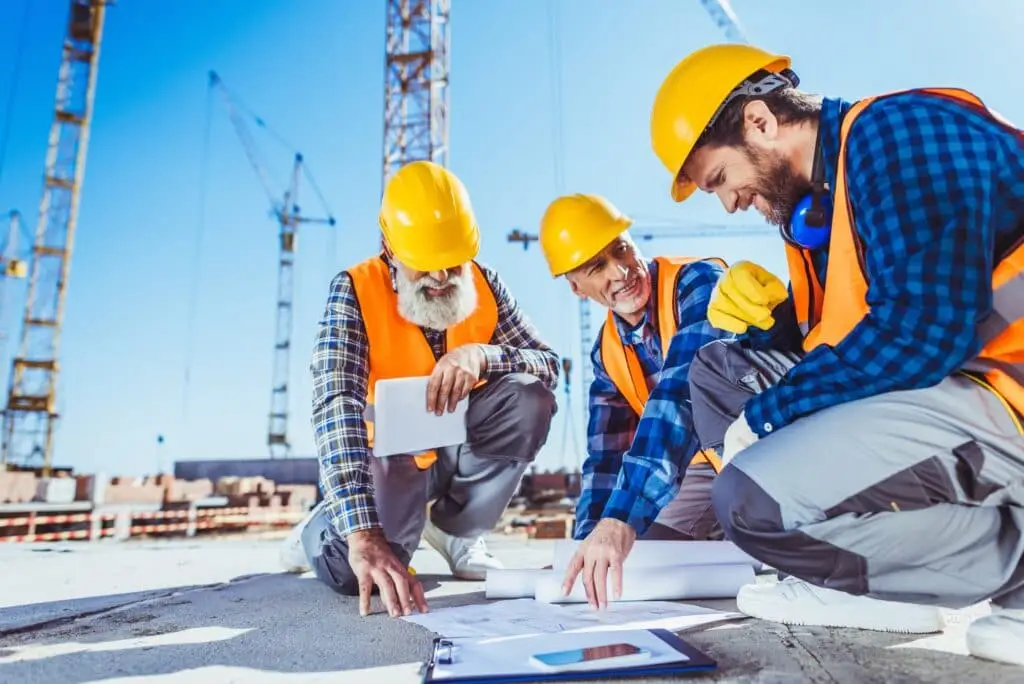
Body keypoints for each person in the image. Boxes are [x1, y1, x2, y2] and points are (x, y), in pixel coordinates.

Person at [645, 43, 1024, 666]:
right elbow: (849, 339)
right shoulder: (822, 206)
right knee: (721, 373)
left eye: (720, 179)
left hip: (1003, 390)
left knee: (751, 502)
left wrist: (770, 417)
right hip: (953, 384)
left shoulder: (895, 133)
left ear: (760, 122)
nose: (729, 201)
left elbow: (921, 328)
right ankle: (884, 591)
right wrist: (772, 332)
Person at [280, 160, 559, 618]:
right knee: (359, 575)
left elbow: (547, 365)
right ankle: (324, 526)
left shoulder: (486, 284)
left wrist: (482, 356)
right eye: (424, 266)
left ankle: (459, 531)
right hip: (389, 461)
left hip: (455, 449)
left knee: (529, 397)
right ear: (390, 247)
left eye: (451, 263)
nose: (440, 278)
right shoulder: (354, 291)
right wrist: (362, 533)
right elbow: (336, 406)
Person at [538, 193, 734, 608]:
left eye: (622, 249)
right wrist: (588, 541)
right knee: (640, 560)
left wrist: (622, 518)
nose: (622, 271)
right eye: (597, 267)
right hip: (693, 472)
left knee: (644, 544)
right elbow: (606, 459)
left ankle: (749, 529)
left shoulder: (699, 282)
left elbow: (678, 394)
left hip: (750, 449)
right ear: (576, 287)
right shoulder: (607, 352)